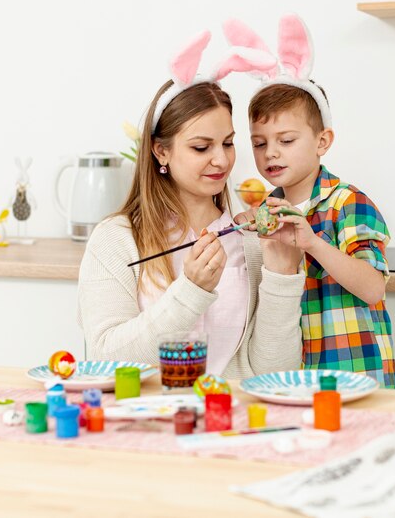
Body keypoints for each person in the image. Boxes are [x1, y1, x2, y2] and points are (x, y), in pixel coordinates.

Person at [78, 31, 305, 378]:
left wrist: (283, 273)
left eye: (227, 143)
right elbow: (104, 357)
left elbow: (272, 373)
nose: (221, 160)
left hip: (231, 421)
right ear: (161, 150)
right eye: (201, 147)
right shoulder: (116, 239)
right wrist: (191, 289)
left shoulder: (250, 240)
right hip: (147, 420)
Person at [226, 15, 395, 388]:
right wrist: (250, 233)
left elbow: (374, 287)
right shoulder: (268, 210)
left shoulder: (348, 203)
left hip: (353, 376)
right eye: (259, 143)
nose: (271, 153)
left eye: (286, 141)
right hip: (295, 380)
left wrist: (312, 243)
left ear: (322, 142)